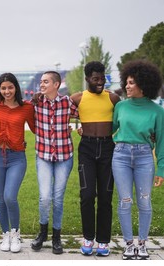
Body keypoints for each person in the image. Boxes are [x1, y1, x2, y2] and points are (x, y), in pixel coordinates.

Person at [112, 60, 164, 260]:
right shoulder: (121, 106)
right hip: (121, 156)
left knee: (144, 202)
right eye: (127, 81)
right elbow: (110, 129)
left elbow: (161, 143)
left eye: (131, 82)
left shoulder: (157, 111)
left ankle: (142, 244)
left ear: (143, 84)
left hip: (144, 157)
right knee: (125, 201)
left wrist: (161, 169)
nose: (127, 85)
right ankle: (128, 244)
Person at [70, 61, 121, 256]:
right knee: (87, 195)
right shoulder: (78, 98)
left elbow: (127, 115)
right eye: (95, 79)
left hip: (108, 148)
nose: (100, 82)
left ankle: (103, 241)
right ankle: (88, 237)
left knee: (106, 197)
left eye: (102, 78)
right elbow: (57, 106)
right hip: (87, 150)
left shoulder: (114, 98)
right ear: (87, 79)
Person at [30, 71, 78, 254]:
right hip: (43, 156)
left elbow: (86, 114)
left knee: (58, 198)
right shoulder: (35, 103)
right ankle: (42, 233)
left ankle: (56, 237)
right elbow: (14, 105)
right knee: (44, 197)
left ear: (56, 84)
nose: (41, 85)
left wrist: (81, 127)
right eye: (41, 82)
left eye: (45, 82)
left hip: (64, 157)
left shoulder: (67, 102)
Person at [0, 73, 35, 253]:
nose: (7, 91)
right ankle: (5, 234)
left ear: (16, 87)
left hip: (17, 157)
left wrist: (64, 128)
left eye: (10, 87)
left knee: (9, 196)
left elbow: (37, 128)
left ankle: (15, 233)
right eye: (3, 88)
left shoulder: (26, 108)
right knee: (0, 198)